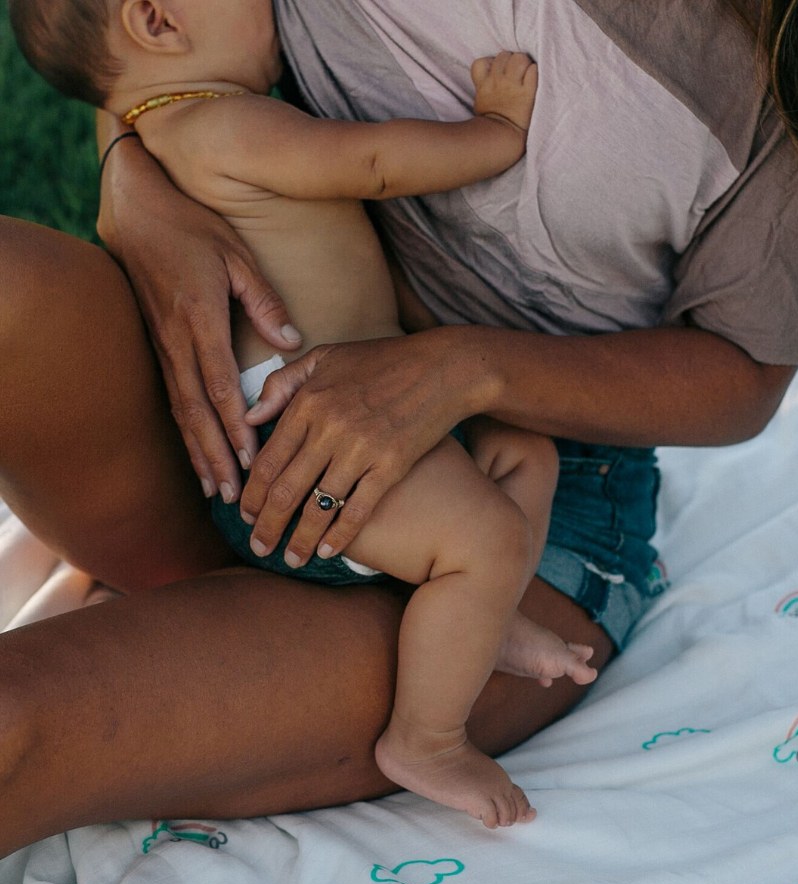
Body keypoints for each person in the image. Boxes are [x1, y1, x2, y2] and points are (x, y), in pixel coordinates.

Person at [0, 0, 798, 858]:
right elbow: (139, 44)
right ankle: (217, 593)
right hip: (230, 394)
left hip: (516, 505)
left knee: (22, 723)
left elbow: (745, 378)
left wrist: (462, 369)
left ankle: (349, 659)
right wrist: (134, 173)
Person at [11, 0, 606, 828]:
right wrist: (496, 133)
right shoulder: (222, 128)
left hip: (336, 418)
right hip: (302, 447)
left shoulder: (172, 137)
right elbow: (368, 162)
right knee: (487, 538)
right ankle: (427, 736)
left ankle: (486, 617)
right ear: (156, 20)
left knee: (524, 457)